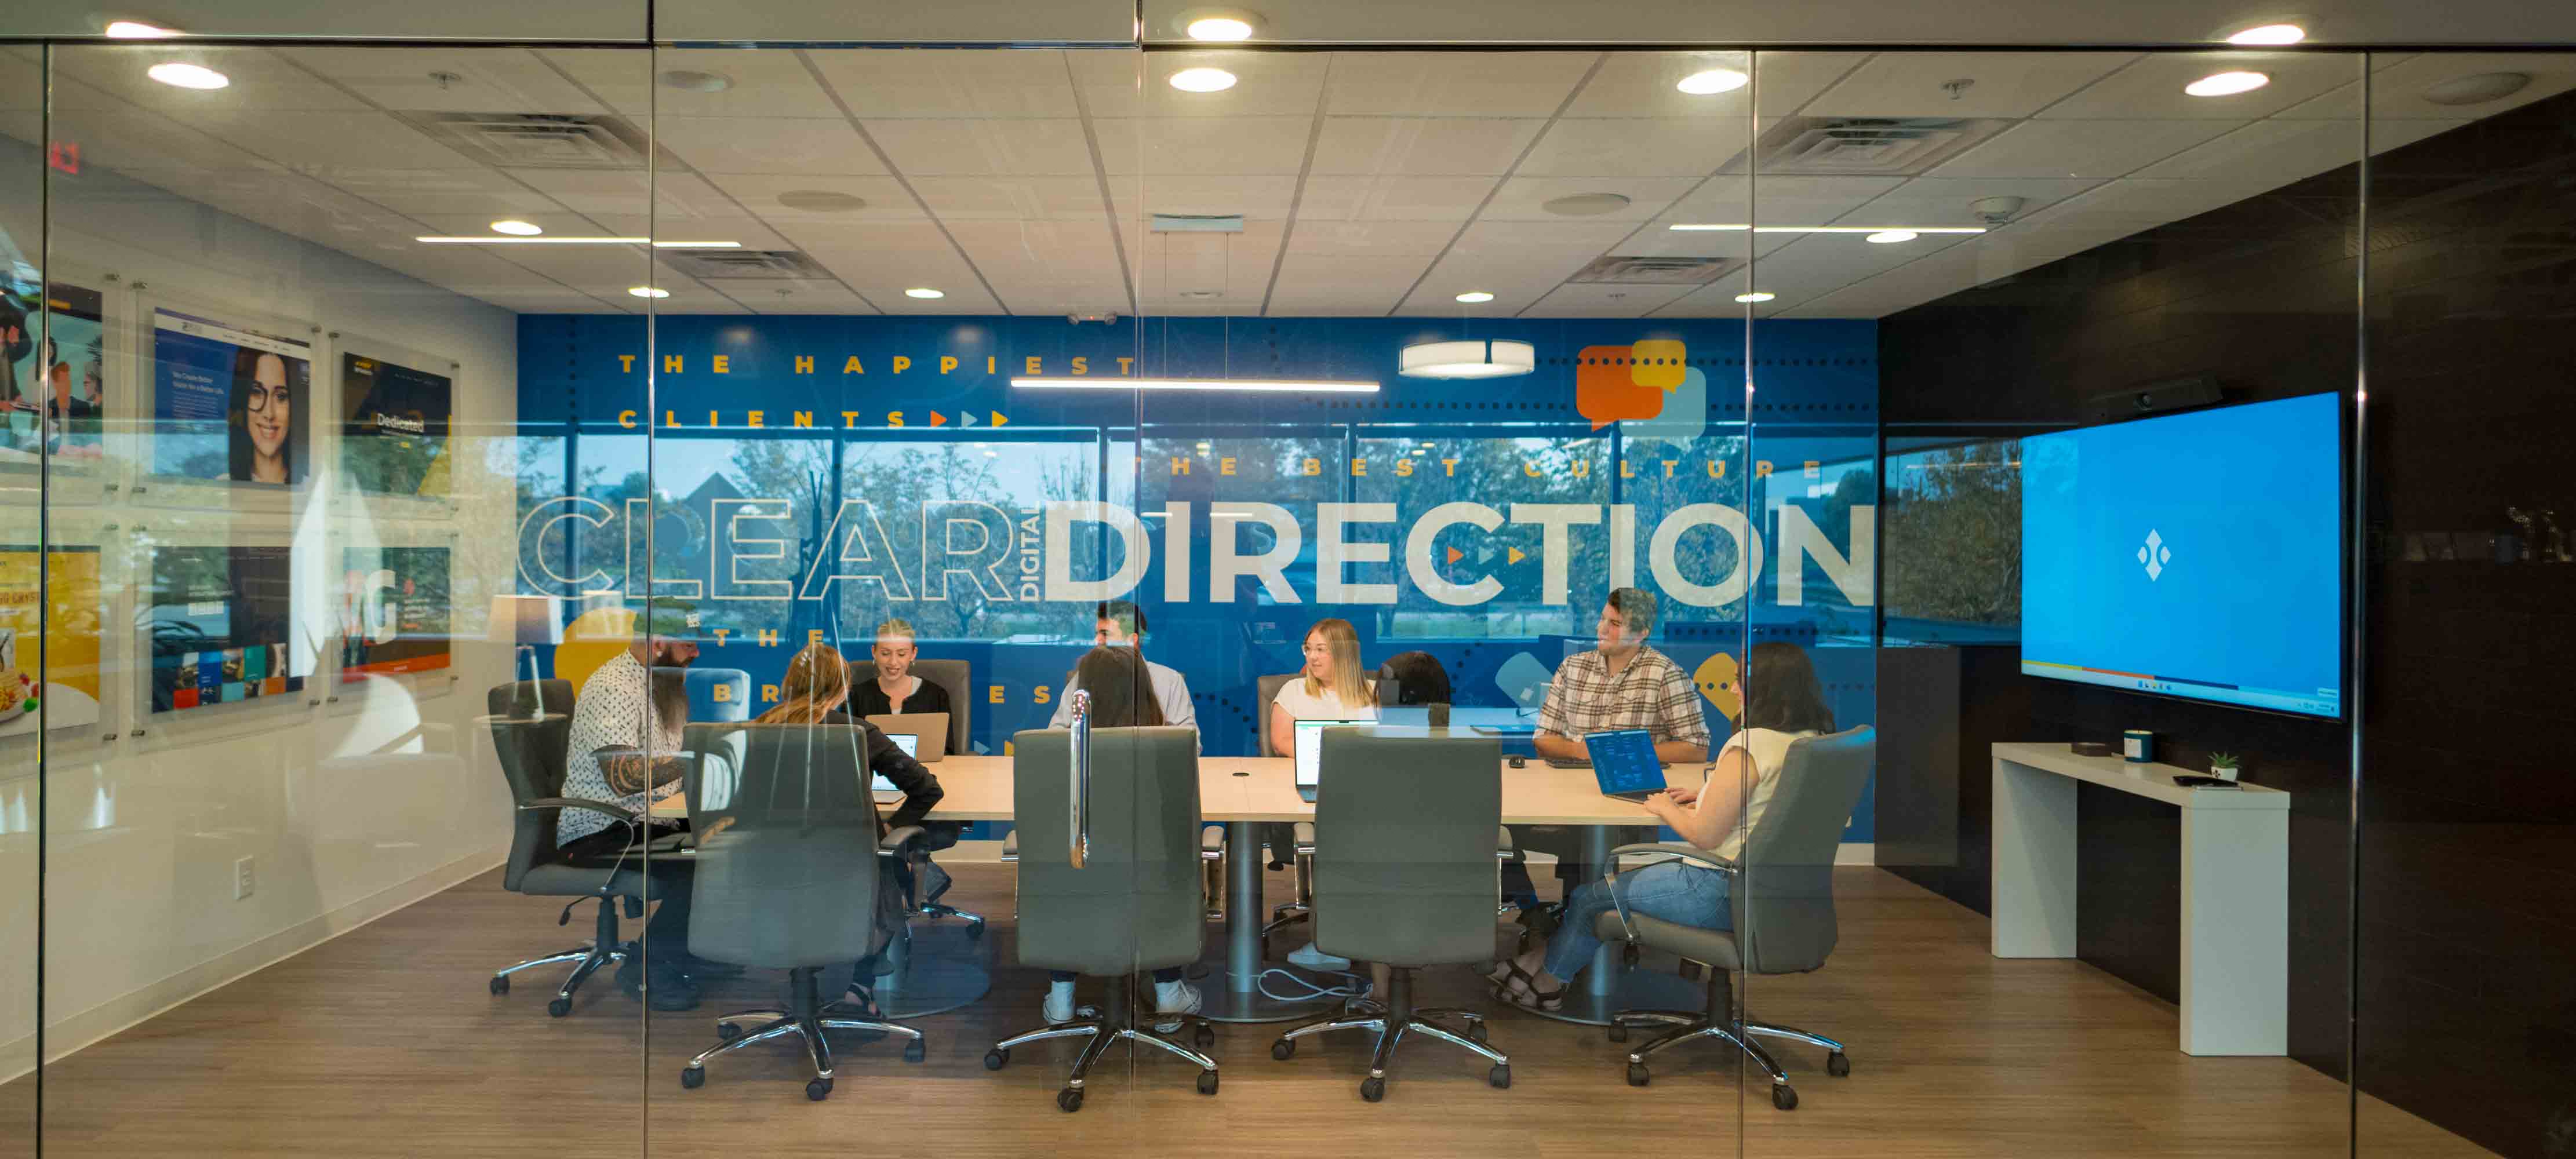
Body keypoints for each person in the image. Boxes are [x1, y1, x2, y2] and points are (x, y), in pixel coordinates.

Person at [1485, 640, 1834, 1012]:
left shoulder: (1750, 744)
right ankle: (1539, 959)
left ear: (1765, 688)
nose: (1733, 689)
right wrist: (1711, 792)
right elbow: (1772, 801)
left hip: (1717, 889)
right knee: (1597, 897)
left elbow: (1704, 836)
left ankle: (1547, 983)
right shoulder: (1810, 743)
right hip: (1774, 891)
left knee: (1589, 899)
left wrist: (1666, 806)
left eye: (1739, 681)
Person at [752, 642, 945, 1020]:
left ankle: (802, 977)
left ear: (789, 684)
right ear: (842, 689)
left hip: (773, 875)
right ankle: (860, 988)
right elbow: (928, 789)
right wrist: (892, 825)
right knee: (895, 865)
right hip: (851, 876)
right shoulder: (857, 732)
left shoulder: (758, 729)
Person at [1042, 643, 1202, 1032]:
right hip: (1147, 873)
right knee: (1161, 873)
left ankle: (1062, 997)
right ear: (1145, 688)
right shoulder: (1167, 749)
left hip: (1077, 868)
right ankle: (1168, 994)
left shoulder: (1058, 751)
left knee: (1071, 880)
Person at [1518, 588, 1712, 902]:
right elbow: (1543, 739)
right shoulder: (1573, 668)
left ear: (1641, 634)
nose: (1601, 629)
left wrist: (1622, 754)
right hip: (1565, 799)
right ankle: (1534, 913)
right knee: (1492, 829)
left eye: (1615, 623)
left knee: (1586, 849)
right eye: (1602, 619)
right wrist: (1584, 751)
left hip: (1625, 804)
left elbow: (1696, 747)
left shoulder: (1665, 674)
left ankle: (1587, 920)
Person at [558, 614, 707, 1009]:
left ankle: (686, 953)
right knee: (708, 862)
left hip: (649, 820)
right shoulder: (614, 688)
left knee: (729, 838)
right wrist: (702, 756)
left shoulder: (663, 685)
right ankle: (648, 969)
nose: (696, 652)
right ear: (658, 643)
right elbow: (622, 779)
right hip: (605, 829)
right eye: (688, 644)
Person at [1265, 618, 1377, 972]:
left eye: (1321, 650)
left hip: (1367, 792)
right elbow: (1282, 742)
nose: (1312, 658)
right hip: (1312, 792)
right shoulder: (1294, 692)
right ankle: (1332, 941)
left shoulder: (1376, 693)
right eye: (1308, 648)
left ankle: (1369, 935)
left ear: (1343, 654)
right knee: (1339, 833)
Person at [1047, 599, 1199, 753]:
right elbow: (1055, 735)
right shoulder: (1084, 677)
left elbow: (1190, 744)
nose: (1097, 640)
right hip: (1093, 772)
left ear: (1132, 640)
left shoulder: (1169, 681)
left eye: (1105, 634)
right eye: (1097, 633)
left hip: (1150, 772)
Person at [847, 617, 954, 719]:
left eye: (901, 654)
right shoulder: (855, 698)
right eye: (885, 653)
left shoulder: (936, 696)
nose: (893, 662)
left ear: (913, 654)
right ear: (874, 652)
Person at [227, 348, 299, 484]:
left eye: (281, 396)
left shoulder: (310, 485)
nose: (269, 414)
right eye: (256, 393)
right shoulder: (223, 486)